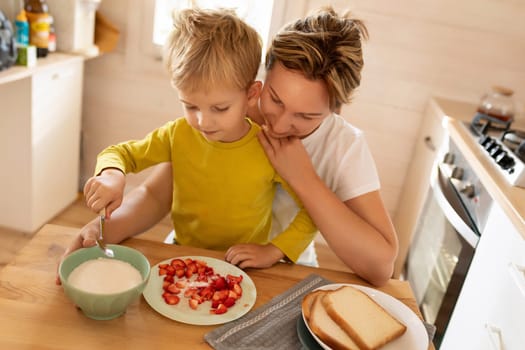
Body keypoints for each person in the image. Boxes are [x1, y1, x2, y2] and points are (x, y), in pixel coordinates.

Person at [59, 6, 398, 287]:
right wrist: (104, 230)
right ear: (260, 81)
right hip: (196, 251)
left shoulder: (345, 147)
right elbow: (160, 192)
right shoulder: (226, 109)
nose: (278, 126)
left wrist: (304, 179)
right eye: (275, 100)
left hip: (278, 269)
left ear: (336, 109)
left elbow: (381, 268)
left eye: (306, 117)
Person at [79, 8, 317, 272]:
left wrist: (274, 251)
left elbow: (311, 211)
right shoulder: (177, 134)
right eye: (191, 106)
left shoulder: (269, 148)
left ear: (251, 94)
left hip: (243, 269)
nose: (203, 121)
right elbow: (120, 153)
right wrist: (112, 174)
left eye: (220, 108)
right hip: (184, 254)